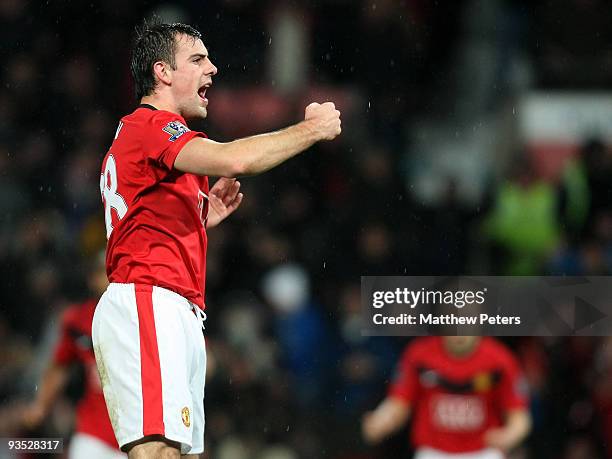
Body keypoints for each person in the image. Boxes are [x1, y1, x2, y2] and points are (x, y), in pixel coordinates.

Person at [92, 20, 341, 459]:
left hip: (174, 306)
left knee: (179, 453)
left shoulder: (146, 138)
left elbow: (140, 224)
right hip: (149, 300)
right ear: (162, 72)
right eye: (197, 59)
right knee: (157, 452)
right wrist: (312, 130)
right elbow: (236, 159)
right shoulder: (152, 126)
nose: (213, 68)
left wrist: (198, 218)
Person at [23, 252, 124, 458]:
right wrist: (41, 406)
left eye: (113, 271)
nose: (107, 278)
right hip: (94, 433)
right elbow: (60, 365)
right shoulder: (80, 319)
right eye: (101, 272)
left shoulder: (145, 316)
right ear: (91, 278)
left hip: (138, 436)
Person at [362, 336, 532, 459]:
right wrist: (380, 420)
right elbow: (399, 402)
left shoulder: (500, 359)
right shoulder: (419, 354)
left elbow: (520, 415)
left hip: (484, 452)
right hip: (433, 452)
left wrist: (509, 435)